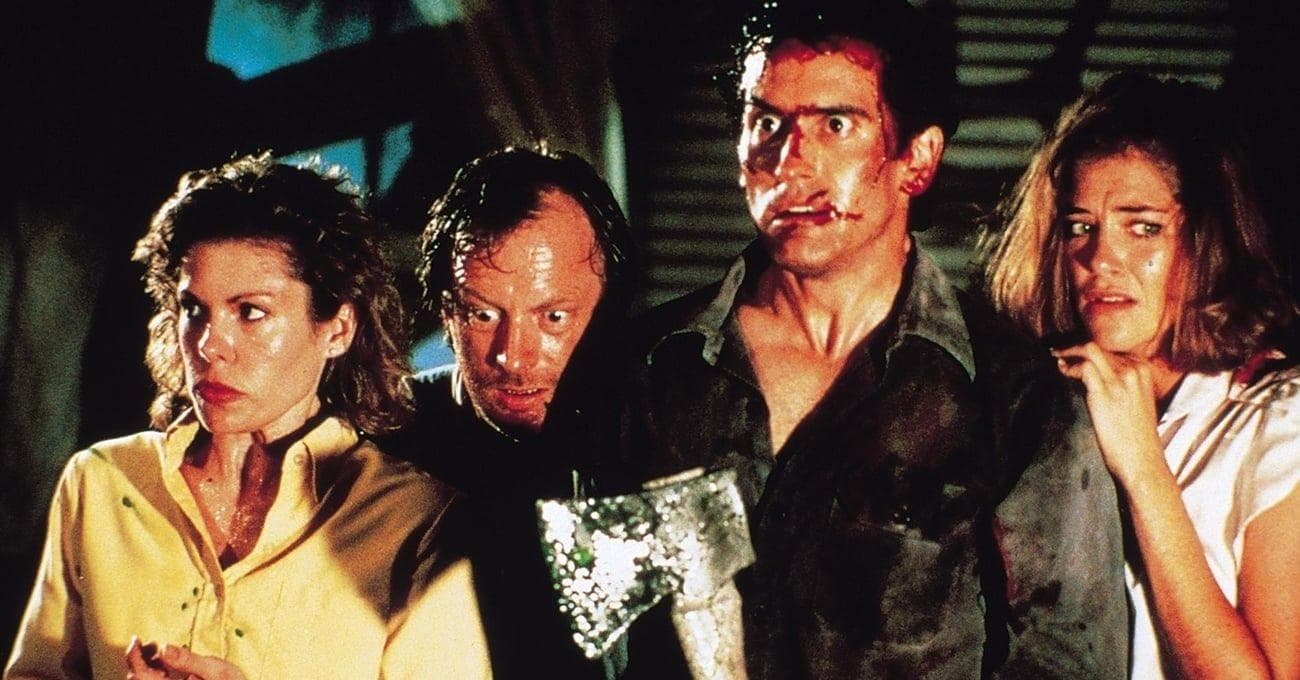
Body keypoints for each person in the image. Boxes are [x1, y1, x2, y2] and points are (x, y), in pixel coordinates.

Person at [618, 1, 1129, 677]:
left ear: (917, 158)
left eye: (836, 125)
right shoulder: (650, 368)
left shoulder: (1013, 395)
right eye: (766, 123)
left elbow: (1069, 660)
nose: (791, 163)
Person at [4, 153, 491, 679]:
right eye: (194, 310)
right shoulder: (102, 481)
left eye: (250, 312)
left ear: (337, 329)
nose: (210, 345)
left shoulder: (416, 522)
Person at [985, 72, 1300, 679]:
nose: (1100, 260)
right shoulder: (1031, 406)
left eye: (1143, 227)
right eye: (1080, 227)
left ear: (1207, 241)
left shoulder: (1278, 421)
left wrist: (1143, 466)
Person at [381, 144, 635, 678]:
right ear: (446, 312)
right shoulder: (379, 443)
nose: (513, 356)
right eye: (482, 315)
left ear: (609, 311)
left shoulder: (659, 440)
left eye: (554, 317)